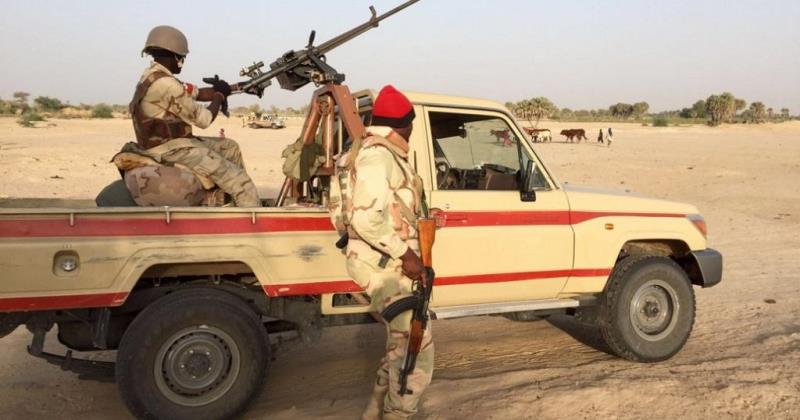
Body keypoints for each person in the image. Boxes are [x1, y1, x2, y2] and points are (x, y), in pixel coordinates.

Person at [329, 85, 433, 419]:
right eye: (411, 126)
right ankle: (397, 414)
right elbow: (364, 217)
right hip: (384, 265)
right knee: (416, 352)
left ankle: (374, 411)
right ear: (402, 125)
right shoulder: (378, 156)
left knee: (399, 343)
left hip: (379, 260)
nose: (412, 132)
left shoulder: (362, 150)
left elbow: (379, 210)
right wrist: (407, 254)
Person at [128, 25, 260, 207]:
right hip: (171, 149)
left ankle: (228, 202)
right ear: (176, 57)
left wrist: (233, 88)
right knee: (241, 183)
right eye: (182, 58)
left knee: (230, 147)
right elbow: (204, 119)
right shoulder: (167, 84)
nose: (182, 61)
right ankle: (252, 221)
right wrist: (219, 96)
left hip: (170, 143)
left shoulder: (153, 76)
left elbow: (196, 93)